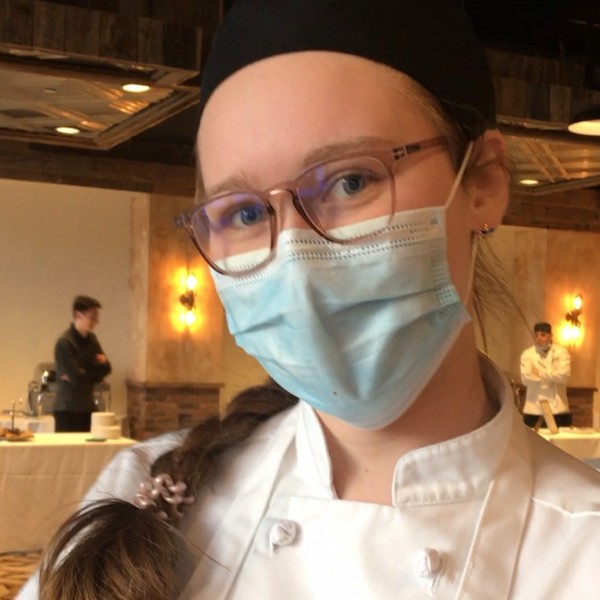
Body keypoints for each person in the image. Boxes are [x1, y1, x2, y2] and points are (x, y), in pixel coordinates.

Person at [19, 1, 600, 599]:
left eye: (351, 181)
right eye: (246, 213)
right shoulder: (145, 491)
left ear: (482, 182)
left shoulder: (584, 549)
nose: (294, 257)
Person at [52, 295, 112, 432]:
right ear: (78, 315)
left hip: (88, 407)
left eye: (96, 317)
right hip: (67, 410)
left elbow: (107, 368)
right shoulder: (65, 343)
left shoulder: (92, 340)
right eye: (92, 317)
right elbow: (77, 378)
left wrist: (83, 371)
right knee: (69, 446)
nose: (96, 321)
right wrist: (93, 369)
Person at [520, 321, 572, 428]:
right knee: (532, 438)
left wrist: (540, 373)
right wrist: (553, 374)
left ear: (550, 336)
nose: (539, 338)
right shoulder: (527, 354)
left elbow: (564, 375)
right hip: (534, 408)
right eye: (537, 335)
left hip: (558, 408)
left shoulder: (562, 353)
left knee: (561, 438)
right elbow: (526, 379)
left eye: (543, 335)